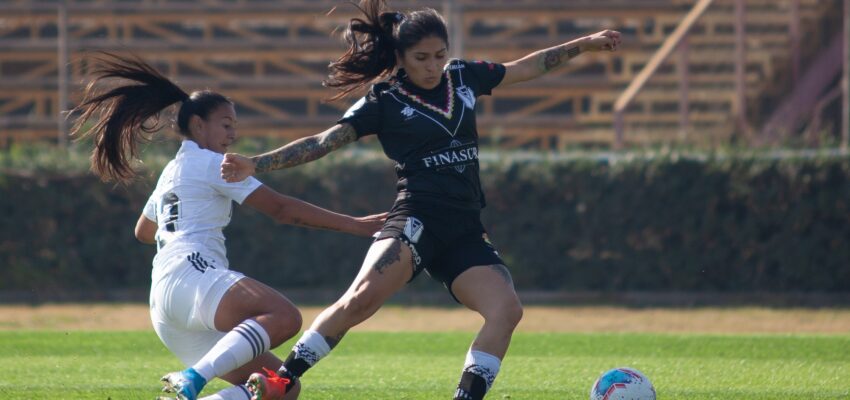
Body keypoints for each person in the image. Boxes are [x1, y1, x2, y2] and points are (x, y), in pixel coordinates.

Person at [221, 1, 621, 399]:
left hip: (464, 228)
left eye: (440, 56)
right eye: (422, 58)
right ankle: (280, 380)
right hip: (415, 219)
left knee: (507, 310)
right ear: (400, 57)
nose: (433, 66)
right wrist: (258, 163)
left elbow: (524, 68)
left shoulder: (464, 76)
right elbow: (324, 142)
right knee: (360, 300)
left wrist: (583, 44)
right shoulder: (384, 101)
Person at [70, 53, 386, 400]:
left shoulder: (171, 172)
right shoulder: (212, 163)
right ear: (197, 126)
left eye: (234, 125)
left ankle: (191, 385)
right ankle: (193, 376)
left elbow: (143, 232)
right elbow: (281, 209)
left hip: (164, 302)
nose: (233, 134)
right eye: (225, 124)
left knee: (281, 387)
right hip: (191, 273)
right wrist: (354, 225)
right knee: (283, 316)